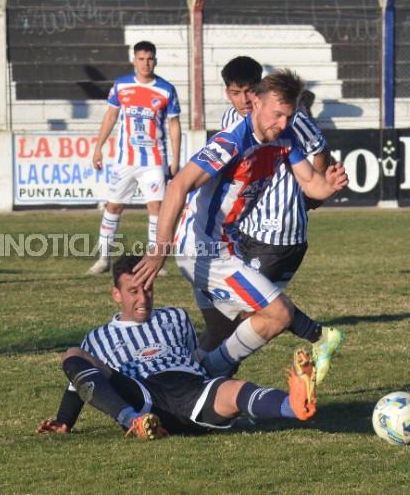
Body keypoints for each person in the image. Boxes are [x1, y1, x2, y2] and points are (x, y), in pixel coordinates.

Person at [134, 69, 347, 382]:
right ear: (256, 102)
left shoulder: (285, 140)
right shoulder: (231, 143)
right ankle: (210, 373)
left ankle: (176, 384)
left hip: (226, 245)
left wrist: (329, 186)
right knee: (278, 314)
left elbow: (311, 184)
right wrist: (158, 249)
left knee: (223, 333)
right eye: (277, 115)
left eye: (289, 116)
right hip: (203, 249)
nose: (283, 124)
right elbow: (179, 185)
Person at [37, 255, 317, 438]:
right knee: (73, 355)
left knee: (237, 389)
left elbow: (195, 360)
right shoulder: (98, 338)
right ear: (116, 295)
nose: (143, 298)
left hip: (191, 388)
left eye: (147, 288)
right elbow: (80, 381)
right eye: (133, 291)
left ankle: (293, 406)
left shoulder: (176, 317)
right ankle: (133, 422)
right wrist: (65, 421)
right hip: (143, 395)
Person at [87, 41, 181, 275]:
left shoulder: (166, 89)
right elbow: (110, 116)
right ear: (134, 60)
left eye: (150, 59)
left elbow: (174, 126)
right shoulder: (121, 86)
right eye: (141, 58)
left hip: (154, 159)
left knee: (156, 208)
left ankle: (155, 261)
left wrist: (175, 160)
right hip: (125, 160)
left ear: (155, 61)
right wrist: (98, 147)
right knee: (114, 206)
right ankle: (104, 258)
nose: (145, 63)